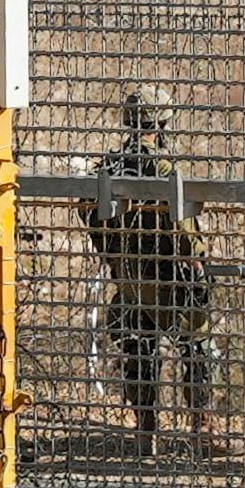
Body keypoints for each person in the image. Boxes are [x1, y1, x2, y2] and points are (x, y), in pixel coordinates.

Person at [79, 88, 214, 460]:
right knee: (197, 347)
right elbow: (183, 225)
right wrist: (197, 264)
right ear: (164, 124)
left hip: (128, 276)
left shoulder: (109, 165)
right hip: (168, 276)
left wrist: (113, 255)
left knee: (138, 349)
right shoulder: (164, 167)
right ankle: (203, 429)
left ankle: (145, 429)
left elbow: (89, 211)